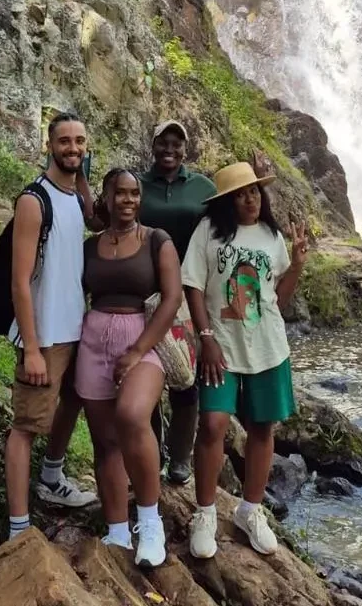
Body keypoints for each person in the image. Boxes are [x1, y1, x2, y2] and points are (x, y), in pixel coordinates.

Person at [181, 162, 308, 559]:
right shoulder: (208, 232)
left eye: (254, 191)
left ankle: (250, 511)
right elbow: (193, 286)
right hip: (221, 347)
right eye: (240, 194)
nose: (249, 199)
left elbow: (280, 300)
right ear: (226, 202)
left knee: (261, 427)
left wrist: (299, 264)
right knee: (214, 422)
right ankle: (204, 514)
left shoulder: (272, 235)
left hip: (268, 348)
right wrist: (205, 338)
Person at [75, 168, 182, 566]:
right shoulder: (90, 247)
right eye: (120, 193)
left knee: (133, 415)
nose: (128, 199)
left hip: (143, 339)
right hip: (94, 338)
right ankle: (117, 531)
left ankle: (150, 524)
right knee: (105, 442)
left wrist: (137, 350)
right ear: (106, 197)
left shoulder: (157, 241)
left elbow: (170, 299)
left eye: (135, 193)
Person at [5, 112, 97, 541]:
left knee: (73, 402)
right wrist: (32, 347)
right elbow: (20, 282)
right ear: (49, 145)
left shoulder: (75, 198)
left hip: (76, 329)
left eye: (79, 141)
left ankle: (53, 476)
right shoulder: (33, 200)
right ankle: (19, 527)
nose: (73, 148)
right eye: (65, 141)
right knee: (25, 426)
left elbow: (96, 220)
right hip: (45, 335)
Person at [139, 121, 216, 485]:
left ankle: (181, 457)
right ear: (153, 145)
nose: (169, 149)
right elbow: (108, 221)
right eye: (163, 142)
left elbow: (226, 225)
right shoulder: (137, 185)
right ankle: (152, 453)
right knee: (148, 374)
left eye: (177, 143)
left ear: (185, 149)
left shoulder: (202, 186)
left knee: (186, 379)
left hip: (187, 294)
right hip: (144, 293)